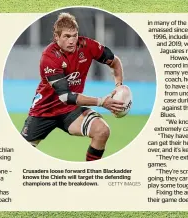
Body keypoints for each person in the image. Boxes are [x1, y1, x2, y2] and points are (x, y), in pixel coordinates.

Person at [20, 12, 126, 162]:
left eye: (74, 35)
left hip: (69, 110)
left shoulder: (88, 46)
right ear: (56, 37)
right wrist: (102, 102)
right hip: (44, 111)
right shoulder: (49, 57)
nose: (72, 40)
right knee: (20, 155)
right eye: (66, 36)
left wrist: (119, 85)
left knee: (102, 131)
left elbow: (114, 61)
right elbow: (66, 96)